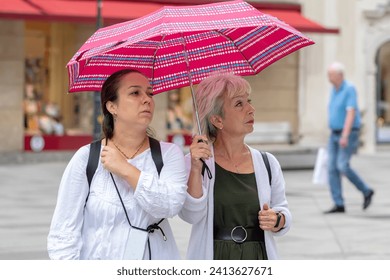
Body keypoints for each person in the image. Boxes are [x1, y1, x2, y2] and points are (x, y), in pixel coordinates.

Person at [47, 69, 188, 259]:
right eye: (135, 93)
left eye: (150, 93)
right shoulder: (87, 158)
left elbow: (170, 206)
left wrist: (126, 169)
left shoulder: (169, 154)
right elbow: (63, 234)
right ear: (112, 106)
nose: (147, 99)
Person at [179, 72, 291, 260]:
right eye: (239, 104)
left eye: (249, 101)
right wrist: (196, 170)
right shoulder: (197, 162)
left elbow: (282, 209)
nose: (251, 109)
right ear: (217, 120)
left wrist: (278, 219)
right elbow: (191, 216)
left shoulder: (267, 162)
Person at [324, 62, 374, 214]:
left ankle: (366, 190)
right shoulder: (334, 89)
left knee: (342, 166)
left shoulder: (349, 89)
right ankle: (338, 203)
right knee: (331, 168)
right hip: (334, 133)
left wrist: (345, 135)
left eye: (331, 75)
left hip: (348, 133)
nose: (329, 78)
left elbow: (351, 112)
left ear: (340, 75)